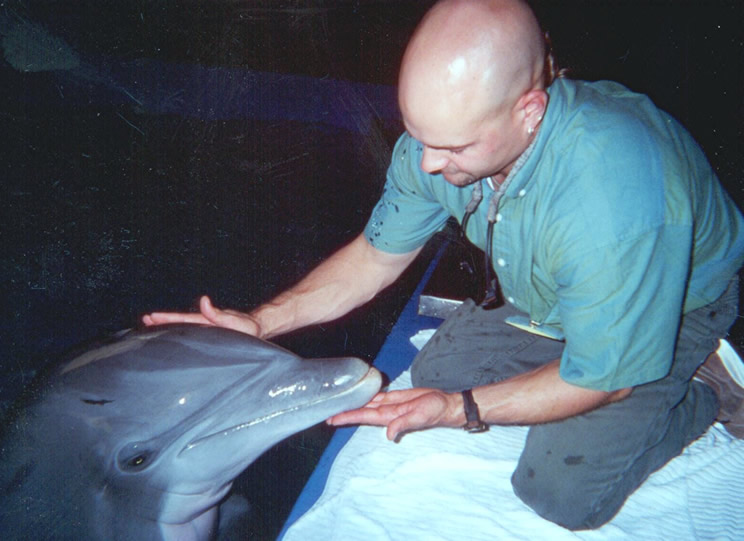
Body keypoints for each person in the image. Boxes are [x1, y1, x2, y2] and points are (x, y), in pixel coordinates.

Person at [143, 0, 744, 530]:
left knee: (560, 493)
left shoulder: (611, 201)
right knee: (438, 371)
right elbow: (374, 258)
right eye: (418, 135)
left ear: (530, 111)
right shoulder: (441, 145)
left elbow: (603, 381)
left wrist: (461, 411)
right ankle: (582, 341)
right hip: (554, 290)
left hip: (675, 303)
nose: (427, 164)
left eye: (453, 146)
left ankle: (697, 391)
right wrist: (261, 322)